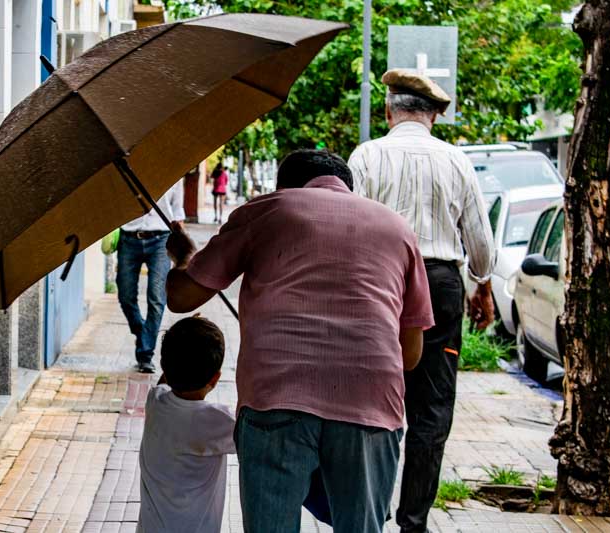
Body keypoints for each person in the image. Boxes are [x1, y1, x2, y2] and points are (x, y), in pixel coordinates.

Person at [165, 149, 434, 533]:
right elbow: (410, 355)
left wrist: (184, 256)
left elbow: (181, 297)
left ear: (283, 187)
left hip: (277, 396)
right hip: (370, 403)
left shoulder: (268, 210)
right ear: (347, 188)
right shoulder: (397, 228)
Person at [348, 69, 496, 533]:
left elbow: (347, 228)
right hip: (439, 285)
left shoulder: (367, 156)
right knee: (431, 411)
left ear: (389, 111)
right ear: (434, 115)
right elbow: (482, 248)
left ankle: (368, 512)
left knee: (369, 402)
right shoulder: (456, 161)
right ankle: (413, 523)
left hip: (379, 286)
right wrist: (482, 285)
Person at [137, 315, 236, 533]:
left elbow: (164, 383)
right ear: (215, 379)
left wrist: (179, 345)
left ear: (164, 365)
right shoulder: (217, 422)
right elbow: (257, 430)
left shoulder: (156, 402)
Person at [117, 181, 185, 373]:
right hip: (128, 237)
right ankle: (144, 335)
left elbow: (177, 213)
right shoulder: (132, 168)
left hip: (161, 240)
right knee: (125, 295)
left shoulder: (175, 175)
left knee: (157, 298)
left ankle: (145, 354)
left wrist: (184, 252)